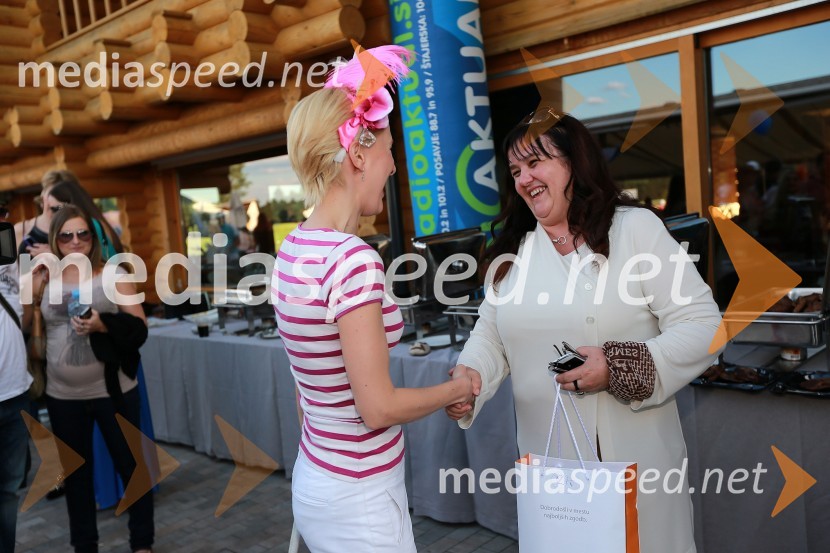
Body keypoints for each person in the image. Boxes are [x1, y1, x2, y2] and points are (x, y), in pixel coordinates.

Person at [447, 109, 722, 553]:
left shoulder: (634, 229)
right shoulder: (515, 252)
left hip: (632, 461)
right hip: (551, 469)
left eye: (535, 162)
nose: (523, 178)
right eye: (515, 170)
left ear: (575, 162)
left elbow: (703, 324)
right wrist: (470, 376)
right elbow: (491, 335)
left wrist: (617, 366)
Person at [273, 45, 476, 553]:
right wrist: (458, 388)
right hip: (359, 495)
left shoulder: (292, 249)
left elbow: (308, 394)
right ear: (359, 152)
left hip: (317, 478)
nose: (391, 168)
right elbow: (378, 409)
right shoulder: (351, 258)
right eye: (389, 150)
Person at [22, 205, 154, 553]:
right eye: (66, 235)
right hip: (62, 396)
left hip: (113, 392)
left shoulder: (113, 274)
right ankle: (84, 546)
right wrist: (31, 287)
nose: (75, 241)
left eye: (83, 234)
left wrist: (102, 324)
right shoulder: (44, 277)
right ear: (55, 239)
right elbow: (23, 328)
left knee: (131, 469)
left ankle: (142, 543)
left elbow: (140, 328)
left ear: (93, 239)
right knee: (76, 478)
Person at [0, 257, 32, 553]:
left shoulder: (11, 264)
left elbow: (24, 322)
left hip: (15, 393)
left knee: (9, 491)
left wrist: (35, 287)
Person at [49, 175, 125, 260]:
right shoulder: (94, 221)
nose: (52, 214)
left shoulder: (91, 224)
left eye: (56, 209)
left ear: (70, 204)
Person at [16, 170, 67, 256]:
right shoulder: (22, 229)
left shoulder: (78, 233)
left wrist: (53, 256)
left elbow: (89, 265)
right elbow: (21, 267)